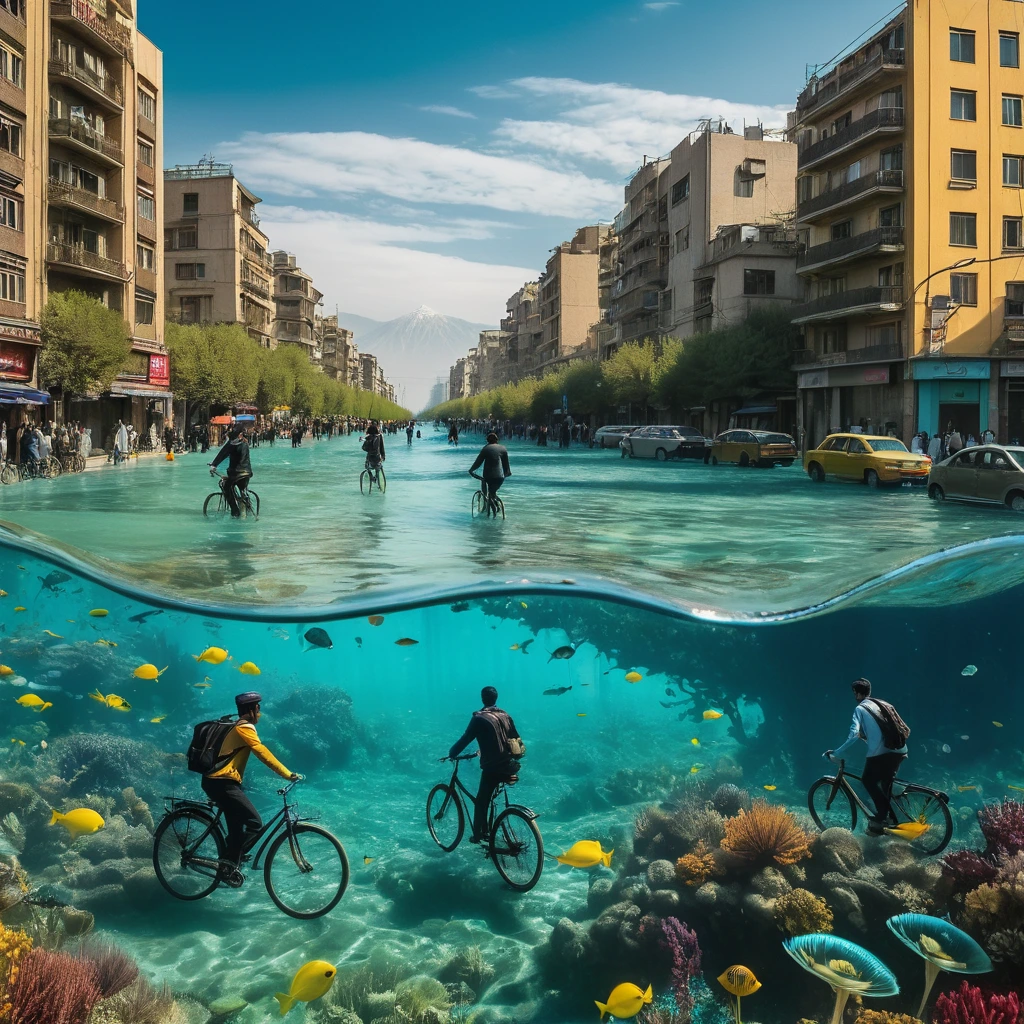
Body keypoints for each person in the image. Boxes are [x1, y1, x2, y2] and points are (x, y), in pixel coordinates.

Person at [201, 691, 299, 879]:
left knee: (237, 827)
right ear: (253, 709)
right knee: (255, 823)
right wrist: (287, 774)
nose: (260, 713)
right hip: (221, 784)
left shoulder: (237, 726)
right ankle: (229, 859)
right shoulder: (244, 727)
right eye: (259, 708)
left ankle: (228, 864)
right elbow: (261, 751)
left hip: (220, 782)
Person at [823, 678, 908, 836]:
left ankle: (881, 818)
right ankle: (886, 822)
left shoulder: (860, 709)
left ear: (857, 693)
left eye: (854, 692)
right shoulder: (881, 703)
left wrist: (837, 752)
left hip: (883, 753)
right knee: (885, 783)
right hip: (900, 749)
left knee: (867, 780)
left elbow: (854, 734)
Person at [448, 686, 523, 843]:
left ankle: (478, 836)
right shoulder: (505, 715)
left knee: (481, 802)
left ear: (483, 698)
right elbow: (515, 737)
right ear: (496, 699)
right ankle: (492, 827)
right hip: (510, 765)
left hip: (493, 767)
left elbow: (466, 738)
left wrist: (452, 753)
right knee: (492, 797)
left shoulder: (479, 718)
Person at [209, 425, 253, 518]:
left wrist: (214, 465)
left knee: (226, 487)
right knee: (240, 488)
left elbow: (226, 454)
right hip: (244, 473)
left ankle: (235, 511)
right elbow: (223, 454)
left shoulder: (238, 445)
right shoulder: (239, 444)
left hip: (238, 473)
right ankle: (245, 502)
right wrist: (214, 464)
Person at [469, 432, 511, 506]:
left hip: (489, 476)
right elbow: (507, 468)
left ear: (487, 441)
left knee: (484, 482)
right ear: (497, 440)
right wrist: (506, 475)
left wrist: (471, 470)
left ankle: (487, 502)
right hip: (500, 478)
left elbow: (478, 462)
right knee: (493, 492)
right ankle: (495, 504)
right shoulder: (503, 448)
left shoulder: (486, 449)